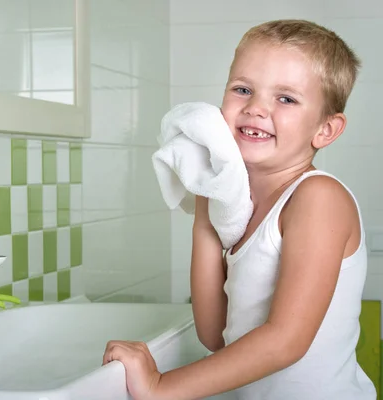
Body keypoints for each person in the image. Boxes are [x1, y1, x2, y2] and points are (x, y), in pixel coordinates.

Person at [102, 19, 377, 400]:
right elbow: (216, 335)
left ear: (326, 130)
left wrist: (161, 386)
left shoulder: (318, 198)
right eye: (243, 89)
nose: (256, 108)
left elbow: (285, 341)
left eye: (286, 99)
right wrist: (206, 196)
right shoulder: (240, 208)